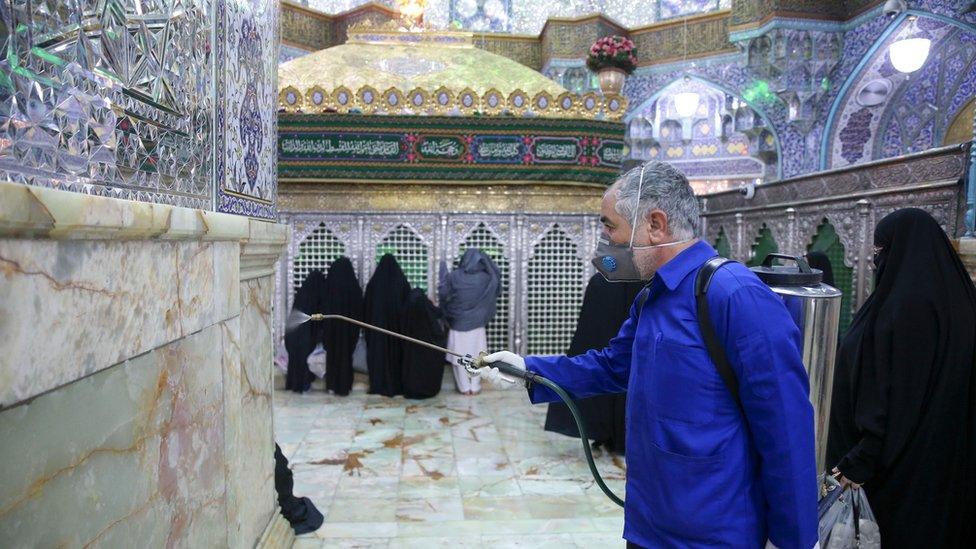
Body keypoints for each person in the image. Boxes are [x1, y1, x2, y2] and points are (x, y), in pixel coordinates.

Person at [482, 161, 818, 548]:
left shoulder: (734, 294)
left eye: (611, 226)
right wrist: (527, 369)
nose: (606, 239)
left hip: (715, 532)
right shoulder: (651, 297)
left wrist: (795, 539)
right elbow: (612, 366)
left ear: (655, 225)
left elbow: (785, 427)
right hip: (649, 525)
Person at [826, 208, 976, 547]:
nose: (876, 261)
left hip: (897, 480)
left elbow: (891, 400)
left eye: (881, 251)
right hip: (946, 472)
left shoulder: (903, 311)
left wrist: (855, 464)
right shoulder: (961, 304)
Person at [544, 274, 644, 454]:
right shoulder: (607, 281)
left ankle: (609, 432)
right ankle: (611, 433)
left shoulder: (652, 288)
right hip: (612, 357)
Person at [438, 248, 502, 395]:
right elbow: (496, 280)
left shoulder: (454, 276)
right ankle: (475, 386)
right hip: (477, 324)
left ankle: (464, 388)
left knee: (459, 358)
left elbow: (444, 295)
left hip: (458, 324)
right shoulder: (486, 278)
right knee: (477, 357)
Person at [364, 254, 411, 397]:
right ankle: (396, 386)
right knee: (396, 357)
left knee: (378, 356)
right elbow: (407, 307)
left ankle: (378, 385)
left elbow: (366, 308)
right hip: (397, 332)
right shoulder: (401, 282)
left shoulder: (374, 284)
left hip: (377, 330)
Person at [322, 257, 363, 396]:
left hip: (332, 329)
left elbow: (324, 308)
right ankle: (345, 385)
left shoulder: (329, 287)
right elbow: (359, 308)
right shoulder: (353, 287)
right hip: (348, 331)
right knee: (346, 355)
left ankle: (332, 385)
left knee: (333, 355)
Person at [401, 288, 448, 399]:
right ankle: (426, 389)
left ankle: (413, 389)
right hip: (428, 347)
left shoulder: (407, 309)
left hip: (411, 347)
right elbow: (439, 313)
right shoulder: (426, 308)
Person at [284, 270, 326, 393]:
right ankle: (303, 384)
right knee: (303, 357)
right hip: (306, 334)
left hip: (293, 333)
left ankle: (293, 383)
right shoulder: (317, 296)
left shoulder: (302, 294)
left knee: (295, 358)